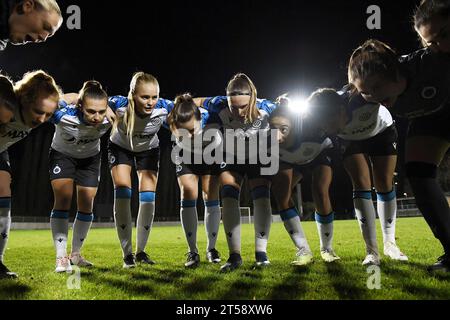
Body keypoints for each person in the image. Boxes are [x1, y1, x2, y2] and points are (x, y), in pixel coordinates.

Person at [348, 36, 450, 272]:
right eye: (365, 92)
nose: (372, 96)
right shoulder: (361, 99)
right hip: (428, 120)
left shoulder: (429, 63)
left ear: (393, 71)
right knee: (418, 175)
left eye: (377, 87)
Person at [307, 87, 408, 266]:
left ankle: (390, 244)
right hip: (351, 139)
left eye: (324, 122)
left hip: (381, 130)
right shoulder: (326, 121)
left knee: (384, 183)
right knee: (361, 183)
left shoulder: (362, 98)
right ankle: (371, 251)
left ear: (339, 112)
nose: (321, 128)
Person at [194, 73, 277, 272]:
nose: (239, 112)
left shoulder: (268, 108)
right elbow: (194, 101)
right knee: (229, 196)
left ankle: (261, 253)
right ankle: (234, 256)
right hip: (231, 153)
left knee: (262, 198)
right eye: (234, 107)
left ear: (253, 99)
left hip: (259, 153)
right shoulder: (218, 103)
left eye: (243, 107)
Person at [108, 72, 173, 269]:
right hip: (120, 148)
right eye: (145, 97)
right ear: (133, 94)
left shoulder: (164, 107)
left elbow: (192, 105)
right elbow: (83, 97)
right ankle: (127, 254)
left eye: (154, 97)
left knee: (147, 199)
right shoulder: (117, 104)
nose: (150, 102)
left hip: (149, 150)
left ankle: (141, 251)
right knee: (123, 193)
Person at [0, 70, 60, 278]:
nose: (42, 119)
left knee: (3, 191)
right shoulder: (7, 102)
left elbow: (70, 98)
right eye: (38, 112)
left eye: (49, 115)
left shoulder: (42, 109)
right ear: (24, 100)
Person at [48, 80, 110, 273]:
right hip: (62, 156)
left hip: (90, 160)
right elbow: (47, 104)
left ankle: (75, 255)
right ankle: (61, 257)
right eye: (91, 111)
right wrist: (69, 97)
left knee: (86, 204)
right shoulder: (62, 115)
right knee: (63, 199)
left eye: (101, 111)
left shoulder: (110, 118)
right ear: (80, 106)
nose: (96, 117)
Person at [269, 100, 339, 264]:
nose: (277, 137)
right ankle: (303, 250)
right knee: (281, 196)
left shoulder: (312, 128)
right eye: (273, 130)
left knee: (320, 192)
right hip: (290, 160)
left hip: (317, 155)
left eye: (284, 129)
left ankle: (327, 248)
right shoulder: (266, 139)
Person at [167, 93, 222, 268]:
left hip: (209, 152)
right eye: (183, 132)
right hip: (185, 156)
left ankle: (211, 249)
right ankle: (193, 251)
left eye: (192, 130)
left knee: (210, 195)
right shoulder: (169, 118)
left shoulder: (209, 117)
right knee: (188, 192)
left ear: (200, 119)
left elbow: (226, 101)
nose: (189, 136)